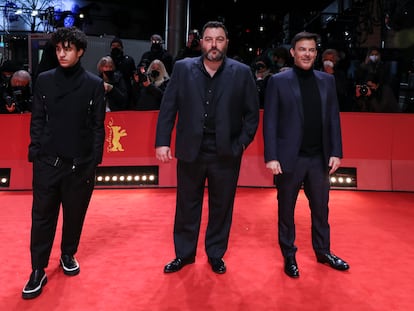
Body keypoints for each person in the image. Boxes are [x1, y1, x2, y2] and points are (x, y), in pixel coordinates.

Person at [155, 21, 259, 274]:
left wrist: (240, 144)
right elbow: (169, 108)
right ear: (201, 42)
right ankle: (184, 254)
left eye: (219, 39)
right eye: (209, 39)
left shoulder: (242, 72)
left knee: (221, 206)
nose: (214, 44)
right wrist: (162, 141)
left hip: (226, 152)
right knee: (186, 205)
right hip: (191, 150)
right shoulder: (182, 68)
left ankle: (215, 254)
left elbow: (252, 115)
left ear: (226, 43)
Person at [22, 26, 106, 299]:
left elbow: (97, 126)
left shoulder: (94, 84)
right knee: (42, 217)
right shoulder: (44, 80)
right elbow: (36, 119)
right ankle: (38, 269)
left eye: (68, 48)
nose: (62, 53)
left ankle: (68, 254)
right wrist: (36, 151)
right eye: (58, 48)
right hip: (47, 163)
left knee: (74, 215)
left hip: (80, 165)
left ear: (80, 51)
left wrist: (93, 162)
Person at [263, 31, 349, 278]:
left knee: (321, 209)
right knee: (286, 210)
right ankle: (289, 255)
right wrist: (272, 156)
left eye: (311, 49)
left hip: (319, 159)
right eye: (302, 49)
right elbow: (270, 121)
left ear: (316, 53)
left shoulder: (326, 81)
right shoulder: (278, 82)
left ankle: (324, 252)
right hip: (290, 158)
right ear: (292, 52)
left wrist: (336, 151)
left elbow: (333, 119)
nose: (307, 54)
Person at [354, 46, 399, 112]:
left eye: (376, 54)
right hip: (365, 90)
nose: (374, 56)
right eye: (372, 54)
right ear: (369, 55)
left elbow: (384, 79)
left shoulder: (382, 67)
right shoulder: (363, 67)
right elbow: (359, 77)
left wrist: (377, 85)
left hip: (379, 91)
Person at [109, 37, 136, 107]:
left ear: (122, 47)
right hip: (111, 89)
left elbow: (133, 75)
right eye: (113, 46)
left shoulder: (128, 60)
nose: (115, 48)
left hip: (126, 90)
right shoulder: (107, 60)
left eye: (118, 46)